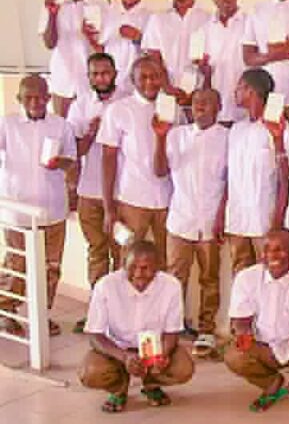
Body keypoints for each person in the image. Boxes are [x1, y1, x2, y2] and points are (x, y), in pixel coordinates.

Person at [153, 88, 228, 358]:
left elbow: (229, 181)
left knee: (210, 278)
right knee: (175, 278)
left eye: (207, 103)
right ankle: (171, 328)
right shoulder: (176, 135)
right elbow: (160, 170)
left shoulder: (226, 138)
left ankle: (206, 330)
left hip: (210, 219)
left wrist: (221, 216)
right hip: (180, 219)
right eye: (196, 102)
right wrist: (160, 138)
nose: (200, 107)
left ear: (218, 107)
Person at [0, 75, 75, 337]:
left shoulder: (61, 125)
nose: (35, 102)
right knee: (17, 265)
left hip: (53, 210)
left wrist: (59, 163)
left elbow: (71, 160)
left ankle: (42, 315)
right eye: (28, 98)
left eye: (40, 97)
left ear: (48, 97)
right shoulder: (7, 124)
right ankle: (6, 311)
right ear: (19, 99)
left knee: (51, 267)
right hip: (18, 212)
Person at [79, 240, 194, 412]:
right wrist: (124, 357)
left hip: (153, 349)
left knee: (183, 368)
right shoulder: (106, 285)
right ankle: (118, 389)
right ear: (123, 264)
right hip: (117, 349)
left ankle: (151, 384)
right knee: (90, 373)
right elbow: (94, 335)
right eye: (132, 267)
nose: (138, 274)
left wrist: (162, 355)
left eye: (145, 268)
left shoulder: (171, 286)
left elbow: (172, 332)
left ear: (158, 266)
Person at [224, 229, 289, 413]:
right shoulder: (247, 277)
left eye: (279, 249)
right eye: (267, 249)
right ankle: (271, 384)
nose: (271, 255)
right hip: (264, 347)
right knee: (233, 356)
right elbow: (240, 320)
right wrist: (243, 333)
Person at [97, 56, 173, 268]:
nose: (150, 82)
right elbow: (108, 159)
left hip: (167, 199)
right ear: (133, 80)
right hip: (132, 199)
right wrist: (109, 208)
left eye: (155, 76)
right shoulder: (119, 110)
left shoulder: (171, 108)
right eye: (143, 77)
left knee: (165, 262)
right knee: (128, 261)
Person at [68, 54, 125, 310]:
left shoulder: (126, 102)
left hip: (121, 194)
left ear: (115, 73)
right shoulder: (80, 105)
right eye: (95, 74)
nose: (101, 78)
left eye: (105, 73)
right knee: (96, 251)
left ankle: (120, 310)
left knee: (122, 251)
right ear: (89, 77)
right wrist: (91, 133)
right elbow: (75, 151)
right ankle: (97, 310)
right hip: (89, 192)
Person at [224, 68, 289, 274]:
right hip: (237, 217)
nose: (235, 92)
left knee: (268, 275)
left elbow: (284, 178)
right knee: (240, 274)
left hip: (264, 219)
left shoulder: (278, 129)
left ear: (250, 91)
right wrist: (221, 214)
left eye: (239, 88)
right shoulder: (236, 129)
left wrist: (278, 219)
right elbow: (230, 177)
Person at [40, 0, 103, 115]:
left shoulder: (101, 7)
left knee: (91, 126)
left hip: (90, 83)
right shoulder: (52, 4)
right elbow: (49, 44)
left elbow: (105, 49)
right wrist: (52, 15)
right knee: (62, 127)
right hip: (62, 80)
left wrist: (91, 38)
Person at [140, 0, 211, 99]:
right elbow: (154, 58)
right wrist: (167, 86)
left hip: (199, 91)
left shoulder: (208, 18)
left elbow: (210, 58)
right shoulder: (158, 19)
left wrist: (202, 88)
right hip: (167, 90)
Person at [196, 0, 248, 123]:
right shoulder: (203, 30)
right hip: (218, 108)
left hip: (245, 106)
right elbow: (201, 70)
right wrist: (203, 70)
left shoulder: (250, 23)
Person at [100, 0, 150, 94]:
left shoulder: (151, 15)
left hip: (139, 83)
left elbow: (157, 53)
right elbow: (100, 47)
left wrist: (139, 38)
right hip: (111, 82)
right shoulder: (106, 13)